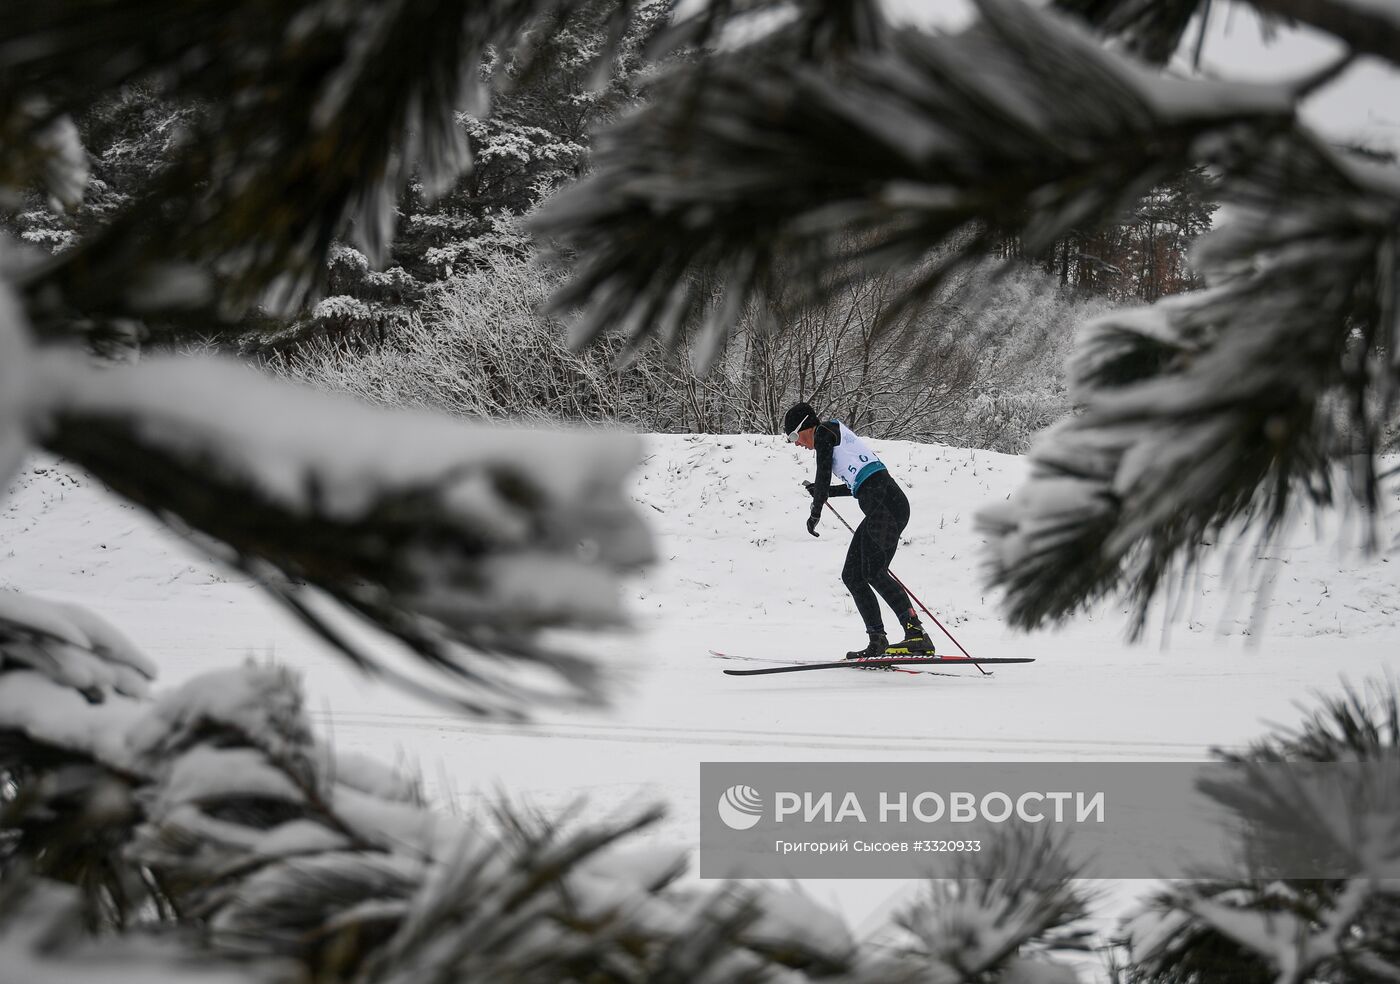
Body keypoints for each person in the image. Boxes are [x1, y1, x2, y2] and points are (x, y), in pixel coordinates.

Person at [781, 402, 934, 659]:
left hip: (887, 507)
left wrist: (816, 507)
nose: (796, 444)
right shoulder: (832, 438)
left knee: (873, 571)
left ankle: (916, 635)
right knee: (853, 575)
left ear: (806, 426)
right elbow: (857, 484)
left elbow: (823, 472)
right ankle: (877, 639)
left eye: (794, 436)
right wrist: (825, 492)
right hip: (883, 507)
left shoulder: (824, 432)